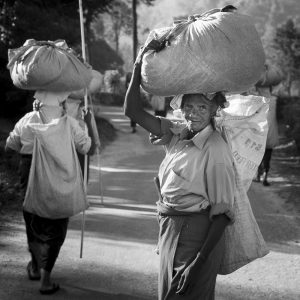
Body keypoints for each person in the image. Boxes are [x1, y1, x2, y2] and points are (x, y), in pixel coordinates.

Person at [124, 40, 235, 300]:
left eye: (202, 108)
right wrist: (140, 61)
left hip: (196, 238)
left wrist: (198, 262)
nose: (194, 113)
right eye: (189, 107)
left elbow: (222, 215)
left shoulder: (215, 149)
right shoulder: (177, 134)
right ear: (180, 107)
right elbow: (131, 110)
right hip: (170, 230)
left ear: (213, 111)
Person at [5, 91, 95, 295]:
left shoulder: (28, 120)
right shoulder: (70, 124)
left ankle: (35, 266)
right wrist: (87, 122)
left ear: (38, 102)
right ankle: (45, 278)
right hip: (59, 176)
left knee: (33, 218)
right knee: (56, 221)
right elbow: (87, 148)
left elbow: (10, 145)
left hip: (29, 173)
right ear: (61, 103)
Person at [254, 86, 279, 186]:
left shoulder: (257, 101)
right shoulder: (274, 100)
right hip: (270, 133)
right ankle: (265, 176)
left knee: (258, 156)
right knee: (267, 156)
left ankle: (258, 175)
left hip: (259, 133)